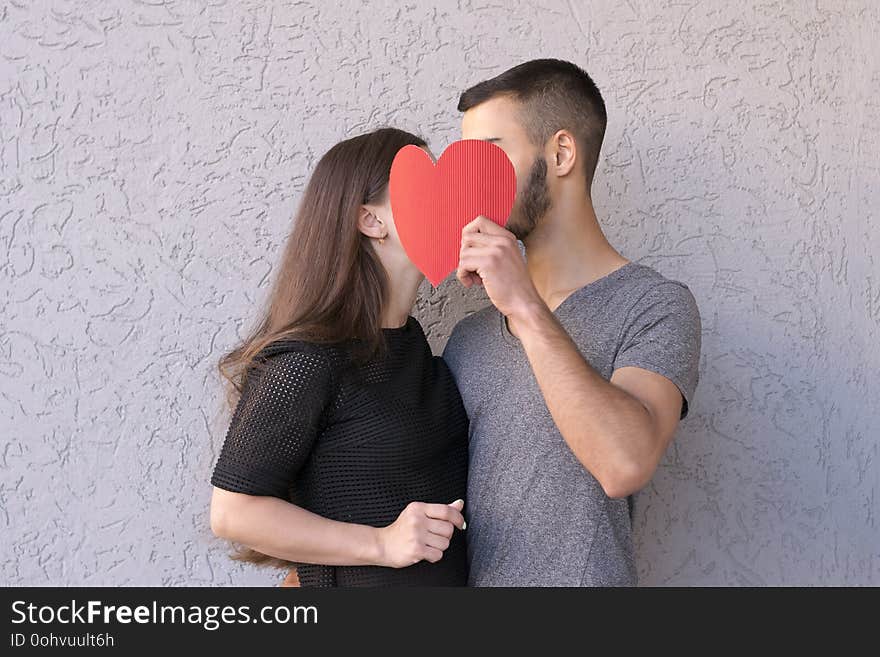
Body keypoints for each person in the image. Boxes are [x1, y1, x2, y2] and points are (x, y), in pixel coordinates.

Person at [442, 59, 702, 586]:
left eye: (490, 155)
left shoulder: (654, 306)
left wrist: (527, 309)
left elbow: (624, 463)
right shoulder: (467, 338)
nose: (471, 181)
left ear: (561, 153)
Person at [209, 127, 468, 587]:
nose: (449, 201)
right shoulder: (309, 360)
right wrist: (381, 544)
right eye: (425, 186)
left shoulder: (409, 345)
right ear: (371, 221)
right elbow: (233, 512)